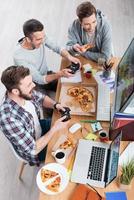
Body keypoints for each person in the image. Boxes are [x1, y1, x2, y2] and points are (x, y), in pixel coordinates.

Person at [0, 66, 69, 166]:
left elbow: (41, 98)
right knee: (67, 152)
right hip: (36, 148)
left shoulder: (24, 92)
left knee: (69, 127)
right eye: (29, 85)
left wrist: (56, 105)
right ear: (15, 91)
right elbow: (33, 149)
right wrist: (54, 129)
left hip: (38, 127)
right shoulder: (8, 118)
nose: (33, 85)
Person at [13, 19, 81, 92]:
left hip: (45, 74)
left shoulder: (40, 37)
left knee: (71, 88)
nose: (43, 41)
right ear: (28, 39)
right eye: (39, 39)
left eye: (43, 37)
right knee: (49, 101)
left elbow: (56, 47)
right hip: (32, 84)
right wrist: (59, 74)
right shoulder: (19, 56)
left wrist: (69, 56)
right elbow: (39, 79)